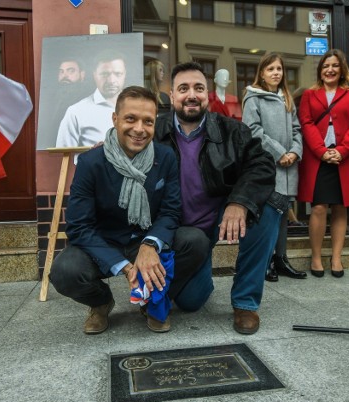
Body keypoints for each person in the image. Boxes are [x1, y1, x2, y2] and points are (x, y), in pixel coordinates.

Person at [50, 86, 208, 334]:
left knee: (195, 241)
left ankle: (153, 299)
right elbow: (79, 227)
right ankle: (101, 302)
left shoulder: (165, 157)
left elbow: (170, 211)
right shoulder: (91, 162)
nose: (139, 129)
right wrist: (124, 266)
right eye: (131, 119)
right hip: (104, 242)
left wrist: (150, 245)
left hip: (144, 239)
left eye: (148, 121)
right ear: (115, 119)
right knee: (64, 272)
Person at [155, 62, 288, 335]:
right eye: (183, 89)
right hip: (182, 232)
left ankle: (245, 302)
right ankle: (195, 275)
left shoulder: (232, 130)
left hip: (220, 217)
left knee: (270, 205)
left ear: (207, 94)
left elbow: (262, 165)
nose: (192, 95)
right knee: (191, 302)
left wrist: (238, 202)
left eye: (199, 88)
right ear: (172, 95)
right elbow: (123, 137)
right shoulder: (155, 131)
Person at [298, 49, 349, 278]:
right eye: (325, 65)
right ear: (320, 70)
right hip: (318, 158)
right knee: (319, 207)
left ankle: (337, 258)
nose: (330, 69)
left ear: (342, 70)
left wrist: (342, 150)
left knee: (340, 207)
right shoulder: (310, 94)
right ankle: (317, 257)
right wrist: (321, 151)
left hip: (345, 158)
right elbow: (306, 123)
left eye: (334, 65)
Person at [242, 53, 306, 282]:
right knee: (269, 216)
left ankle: (281, 258)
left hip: (289, 166)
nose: (276, 73)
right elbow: (253, 130)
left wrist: (295, 152)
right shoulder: (253, 98)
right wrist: (279, 153)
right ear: (262, 73)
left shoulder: (286, 97)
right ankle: (266, 260)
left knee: (282, 217)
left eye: (279, 68)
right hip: (269, 166)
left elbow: (298, 130)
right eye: (270, 69)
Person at [56, 50, 127, 148]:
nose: (111, 81)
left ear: (125, 74)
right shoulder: (75, 111)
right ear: (94, 75)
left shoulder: (137, 108)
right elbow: (64, 154)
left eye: (118, 74)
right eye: (104, 74)